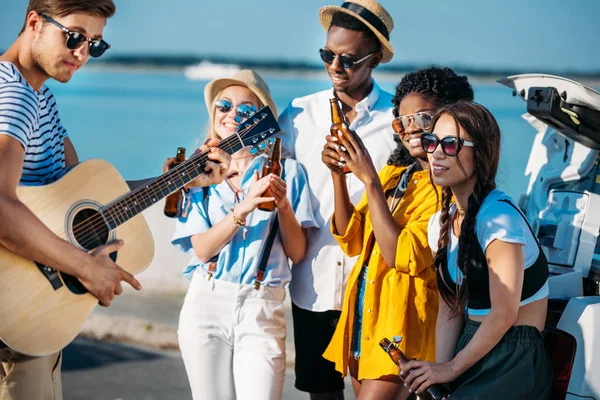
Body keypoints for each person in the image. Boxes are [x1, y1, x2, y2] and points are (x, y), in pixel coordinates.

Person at [0, 2, 230, 399]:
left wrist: (180, 178)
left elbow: (91, 196)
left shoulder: (40, 100)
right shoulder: (14, 97)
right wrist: (87, 270)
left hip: (31, 317)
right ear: (34, 23)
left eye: (95, 45)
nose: (82, 54)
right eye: (74, 37)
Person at [320, 67, 474, 400]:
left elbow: (401, 255)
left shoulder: (446, 189)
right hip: (366, 320)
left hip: (405, 327)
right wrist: (338, 176)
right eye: (401, 121)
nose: (410, 129)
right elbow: (351, 238)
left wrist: (370, 182)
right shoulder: (396, 174)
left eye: (422, 118)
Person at [170, 69, 317, 400]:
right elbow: (203, 249)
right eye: (224, 106)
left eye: (246, 110)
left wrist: (283, 207)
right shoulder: (198, 176)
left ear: (262, 119)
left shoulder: (289, 172)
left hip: (261, 306)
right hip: (206, 301)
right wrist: (246, 206)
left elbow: (297, 254)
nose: (232, 115)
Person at [277, 1, 396, 397]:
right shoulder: (297, 114)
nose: (335, 67)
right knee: (321, 393)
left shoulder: (398, 120)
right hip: (312, 281)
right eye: (327, 55)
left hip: (375, 285)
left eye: (348, 59)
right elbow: (261, 174)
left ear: (375, 59)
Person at [401, 101, 553, 399]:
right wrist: (439, 371)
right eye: (431, 142)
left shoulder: (499, 218)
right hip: (473, 346)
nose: (436, 153)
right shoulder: (440, 223)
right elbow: (450, 307)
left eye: (451, 144)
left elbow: (504, 314)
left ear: (481, 152)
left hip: (512, 357)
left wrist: (451, 368)